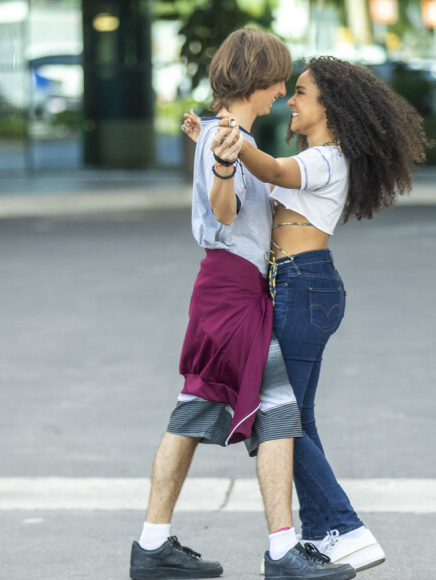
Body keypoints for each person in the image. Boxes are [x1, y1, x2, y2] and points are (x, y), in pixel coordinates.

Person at [188, 55, 431, 573]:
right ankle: (325, 533)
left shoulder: (327, 159)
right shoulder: (318, 157)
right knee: (296, 417)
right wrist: (214, 142)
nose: (290, 100)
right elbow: (257, 192)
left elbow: (272, 170)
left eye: (301, 92)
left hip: (305, 287)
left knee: (279, 420)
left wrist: (231, 136)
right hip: (300, 288)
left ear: (330, 107)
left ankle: (346, 526)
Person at [130, 31, 356, 580]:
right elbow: (225, 213)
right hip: (233, 289)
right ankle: (282, 553)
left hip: (225, 289)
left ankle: (152, 545)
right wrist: (225, 168)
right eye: (279, 80)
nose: (282, 90)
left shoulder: (225, 135)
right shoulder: (225, 141)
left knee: (192, 411)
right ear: (257, 79)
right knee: (279, 416)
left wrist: (219, 148)